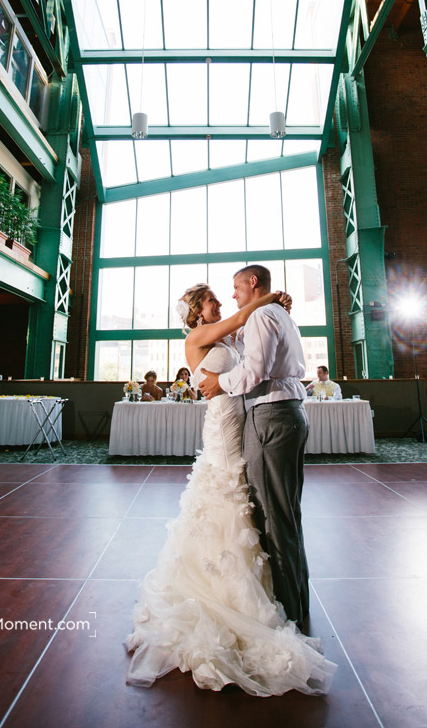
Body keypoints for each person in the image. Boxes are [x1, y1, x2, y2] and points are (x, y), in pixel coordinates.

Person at [125, 282, 336, 697]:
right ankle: (224, 597)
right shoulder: (197, 338)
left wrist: (277, 306)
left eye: (220, 298)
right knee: (225, 503)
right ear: (195, 311)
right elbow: (243, 317)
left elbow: (254, 337)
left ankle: (259, 591)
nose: (219, 302)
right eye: (210, 300)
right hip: (224, 430)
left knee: (250, 505)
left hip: (247, 423)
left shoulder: (228, 336)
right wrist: (270, 298)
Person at [199, 264, 310, 628]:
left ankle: (288, 612)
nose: (232, 296)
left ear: (252, 283)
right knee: (287, 510)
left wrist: (219, 382)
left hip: (271, 416)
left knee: (273, 516)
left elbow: (254, 372)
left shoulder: (264, 314)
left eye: (235, 287)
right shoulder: (278, 313)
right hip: (289, 412)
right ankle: (298, 598)